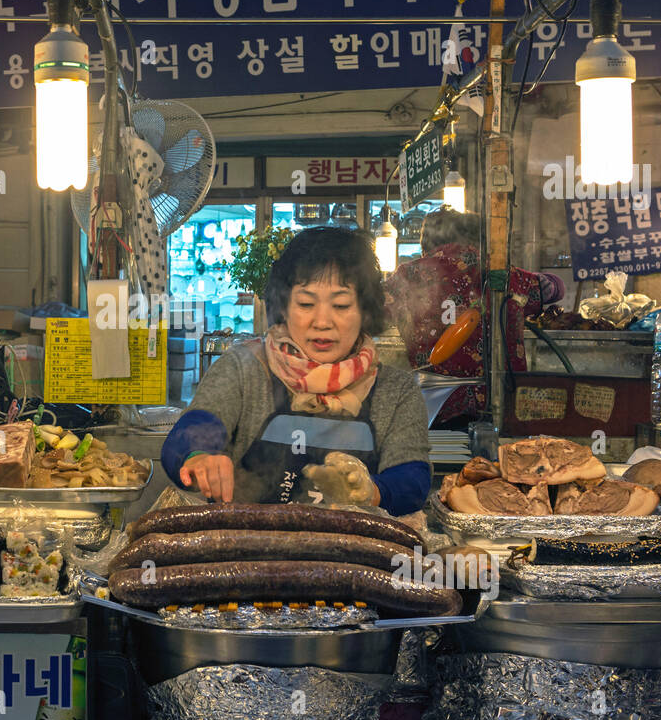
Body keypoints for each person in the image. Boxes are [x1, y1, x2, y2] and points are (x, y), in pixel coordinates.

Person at [160, 226, 431, 514]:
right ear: (284, 307)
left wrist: (373, 491)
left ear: (365, 311)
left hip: (355, 556)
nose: (322, 321)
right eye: (305, 303)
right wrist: (199, 456)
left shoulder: (396, 390)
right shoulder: (244, 369)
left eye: (340, 305)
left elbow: (412, 480)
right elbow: (189, 434)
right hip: (248, 552)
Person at [383, 208, 561, 426]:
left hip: (435, 407)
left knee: (442, 457)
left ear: (426, 241)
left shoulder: (408, 275)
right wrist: (541, 278)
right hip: (501, 401)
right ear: (478, 238)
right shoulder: (502, 273)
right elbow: (554, 289)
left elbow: (373, 308)